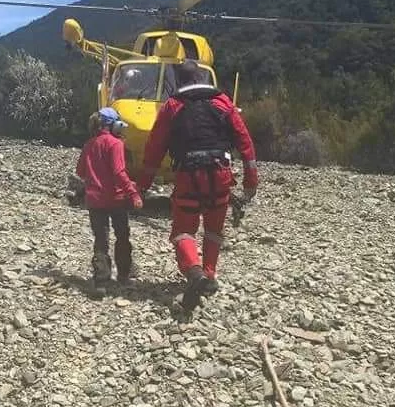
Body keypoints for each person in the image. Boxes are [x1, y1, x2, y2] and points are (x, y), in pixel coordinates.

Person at [137, 60, 258, 310]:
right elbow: (245, 142)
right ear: (201, 76)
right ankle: (210, 275)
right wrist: (250, 179)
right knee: (213, 230)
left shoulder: (172, 106)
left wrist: (143, 186)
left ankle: (194, 273)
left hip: (189, 176)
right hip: (220, 175)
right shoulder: (222, 102)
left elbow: (154, 150)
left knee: (183, 232)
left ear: (179, 81)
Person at [76, 107, 143, 290]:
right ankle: (123, 275)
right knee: (122, 236)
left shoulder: (89, 144)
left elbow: (80, 172)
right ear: (114, 125)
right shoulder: (115, 144)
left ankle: (101, 282)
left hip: (94, 201)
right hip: (116, 199)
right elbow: (119, 173)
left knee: (101, 239)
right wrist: (134, 193)